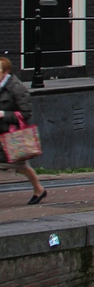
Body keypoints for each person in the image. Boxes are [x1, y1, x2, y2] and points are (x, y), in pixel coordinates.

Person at [0, 57, 46, 204]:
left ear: (6, 72)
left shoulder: (16, 88)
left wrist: (3, 114)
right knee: (21, 167)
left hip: (10, 135)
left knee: (22, 166)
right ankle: (39, 189)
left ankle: (39, 189)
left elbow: (26, 113)